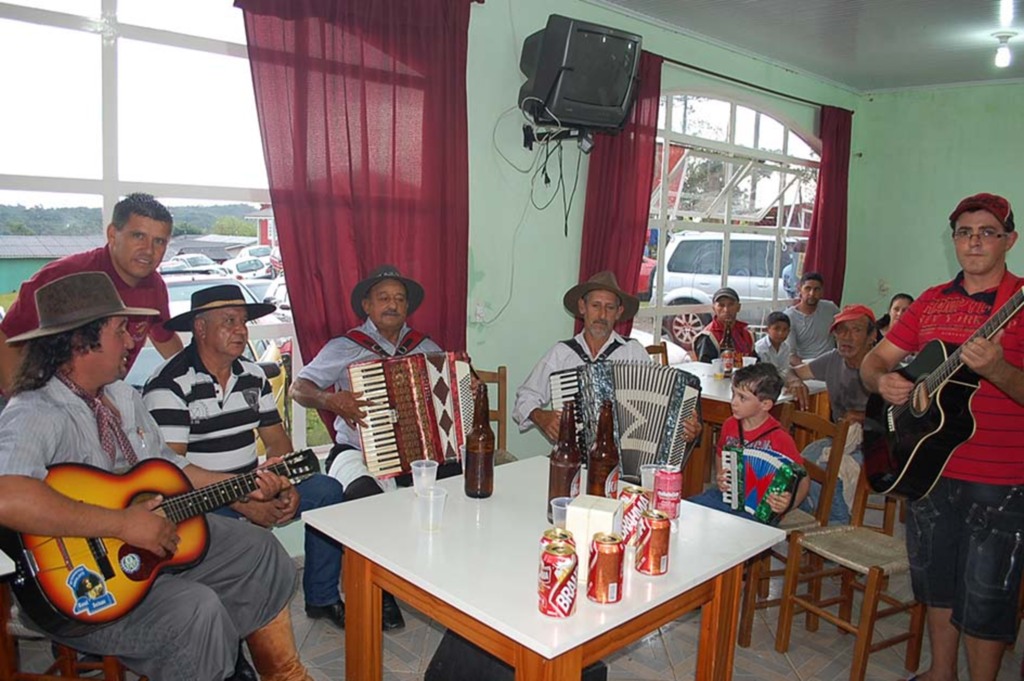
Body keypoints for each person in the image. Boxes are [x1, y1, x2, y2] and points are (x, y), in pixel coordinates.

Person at [0, 272, 310, 681]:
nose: (131, 341)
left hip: (150, 537)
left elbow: (172, 469)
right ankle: (212, 659)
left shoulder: (124, 397)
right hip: (85, 584)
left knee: (262, 554)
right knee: (196, 610)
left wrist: (242, 494)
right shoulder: (38, 410)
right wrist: (122, 522)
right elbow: (7, 495)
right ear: (81, 340)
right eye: (119, 331)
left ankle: (231, 664)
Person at [861, 192, 1024, 681]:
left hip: (999, 478)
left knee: (988, 593)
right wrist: (882, 381)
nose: (974, 241)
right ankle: (941, 672)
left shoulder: (1017, 303)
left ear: (1009, 240)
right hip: (925, 470)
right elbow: (874, 361)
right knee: (935, 583)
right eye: (964, 232)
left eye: (987, 232)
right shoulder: (931, 300)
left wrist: (998, 369)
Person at [142, 284, 347, 630]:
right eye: (229, 321)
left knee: (327, 490)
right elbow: (169, 471)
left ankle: (323, 596)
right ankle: (226, 638)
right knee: (245, 542)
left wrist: (283, 484)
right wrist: (243, 501)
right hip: (196, 501)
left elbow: (278, 442)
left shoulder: (252, 375)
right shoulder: (170, 384)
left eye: (243, 321)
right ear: (200, 328)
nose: (241, 330)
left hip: (250, 485)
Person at [290, 264, 442, 631]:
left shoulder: (426, 347)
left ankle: (438, 581)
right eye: (384, 298)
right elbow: (299, 388)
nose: (392, 305)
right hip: (354, 448)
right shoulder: (344, 347)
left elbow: (449, 391)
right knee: (364, 498)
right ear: (367, 306)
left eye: (399, 299)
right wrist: (332, 401)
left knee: (452, 488)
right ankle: (381, 593)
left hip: (414, 452)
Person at [0, 193, 183, 396]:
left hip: (98, 400)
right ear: (112, 234)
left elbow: (165, 339)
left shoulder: (154, 286)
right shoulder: (66, 276)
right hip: (43, 403)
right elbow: (6, 338)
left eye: (159, 241)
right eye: (138, 236)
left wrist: (195, 380)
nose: (148, 250)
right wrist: (19, 401)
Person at [513, 271, 652, 443]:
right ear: (582, 307)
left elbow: (658, 403)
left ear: (619, 312)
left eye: (609, 308)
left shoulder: (633, 352)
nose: (602, 315)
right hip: (573, 457)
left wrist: (688, 424)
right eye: (595, 305)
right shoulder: (562, 353)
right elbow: (525, 397)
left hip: (623, 458)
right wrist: (541, 417)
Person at [786, 304, 875, 524]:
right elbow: (789, 371)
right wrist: (796, 381)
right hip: (839, 437)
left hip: (876, 444)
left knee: (831, 473)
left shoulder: (884, 367)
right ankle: (810, 519)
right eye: (841, 330)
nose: (847, 337)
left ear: (872, 336)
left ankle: (836, 530)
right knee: (799, 462)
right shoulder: (833, 359)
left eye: (856, 330)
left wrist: (862, 417)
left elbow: (901, 417)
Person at [687, 363, 809, 522]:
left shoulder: (780, 439)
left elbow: (804, 480)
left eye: (742, 398)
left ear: (765, 404)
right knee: (689, 509)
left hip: (761, 510)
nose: (734, 402)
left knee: (733, 530)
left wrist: (788, 504)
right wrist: (721, 475)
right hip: (727, 499)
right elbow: (720, 453)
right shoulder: (730, 425)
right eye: (734, 394)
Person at [784, 272, 840, 365]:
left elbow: (842, 332)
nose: (812, 293)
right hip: (805, 365)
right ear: (799, 289)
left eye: (817, 289)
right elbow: (791, 356)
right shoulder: (790, 317)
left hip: (831, 364)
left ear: (822, 291)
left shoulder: (831, 308)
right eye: (807, 288)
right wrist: (808, 369)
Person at [692, 287, 756, 364]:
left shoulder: (747, 334)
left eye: (731, 304)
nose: (726, 310)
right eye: (721, 305)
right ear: (714, 308)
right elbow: (706, 368)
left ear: (738, 307)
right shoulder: (707, 337)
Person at [754, 311, 793, 377]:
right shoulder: (760, 347)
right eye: (776, 329)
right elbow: (764, 372)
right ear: (767, 329)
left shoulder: (786, 347)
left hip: (780, 380)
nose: (780, 333)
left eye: (785, 330)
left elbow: (785, 369)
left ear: (789, 331)